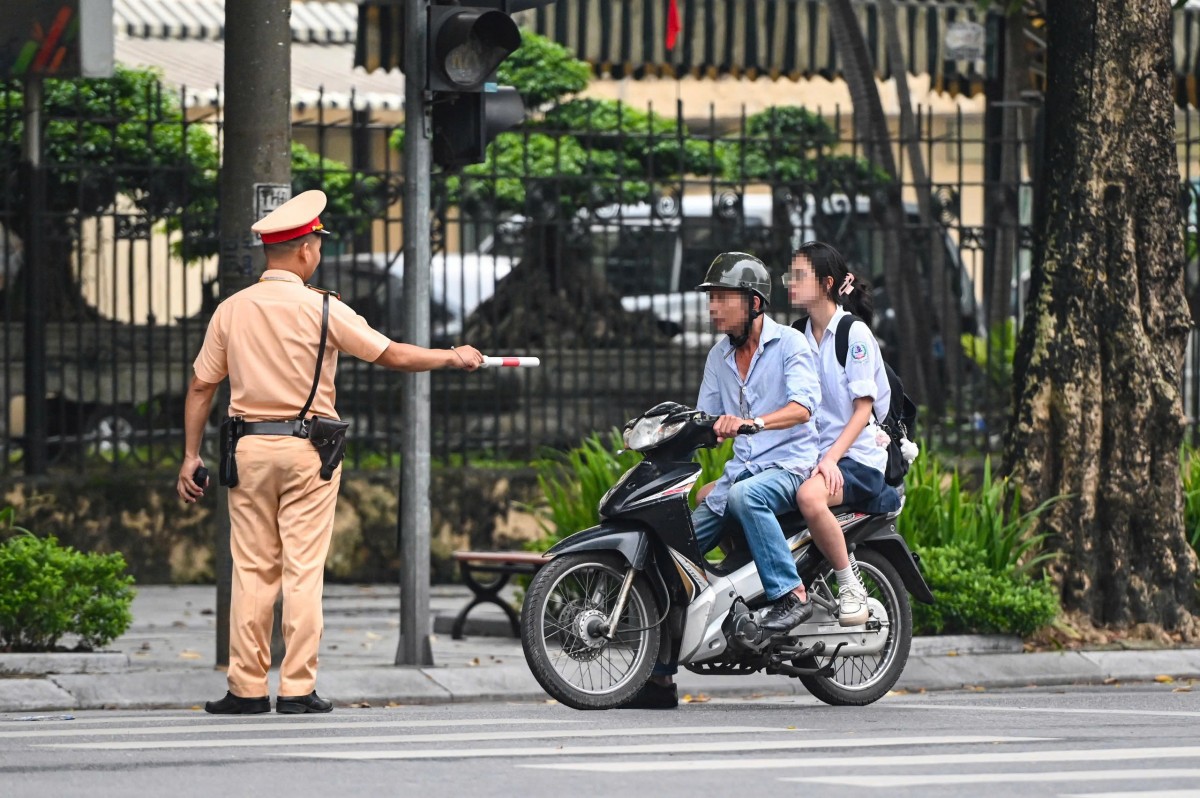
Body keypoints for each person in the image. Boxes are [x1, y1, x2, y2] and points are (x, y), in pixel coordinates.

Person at [176, 190, 484, 715]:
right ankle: (297, 690)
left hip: (247, 448)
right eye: (316, 243)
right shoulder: (324, 308)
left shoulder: (232, 309)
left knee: (251, 570)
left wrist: (190, 456)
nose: (318, 252)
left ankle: (246, 690)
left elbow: (203, 386)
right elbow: (393, 354)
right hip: (308, 452)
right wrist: (452, 357)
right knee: (302, 570)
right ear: (302, 251)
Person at [623, 251, 822, 709]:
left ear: (753, 303)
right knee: (672, 545)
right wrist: (668, 435)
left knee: (750, 496)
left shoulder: (790, 347)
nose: (713, 308)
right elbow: (707, 420)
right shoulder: (720, 355)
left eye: (721, 298)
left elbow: (803, 408)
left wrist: (753, 423)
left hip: (790, 468)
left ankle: (790, 595)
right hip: (740, 476)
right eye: (711, 299)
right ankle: (659, 678)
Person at [786, 241, 901, 628]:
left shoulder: (853, 334)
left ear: (827, 283)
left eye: (800, 276)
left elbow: (863, 410)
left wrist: (832, 458)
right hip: (812, 456)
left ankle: (850, 584)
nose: (791, 282)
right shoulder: (795, 335)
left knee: (808, 496)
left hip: (857, 459)